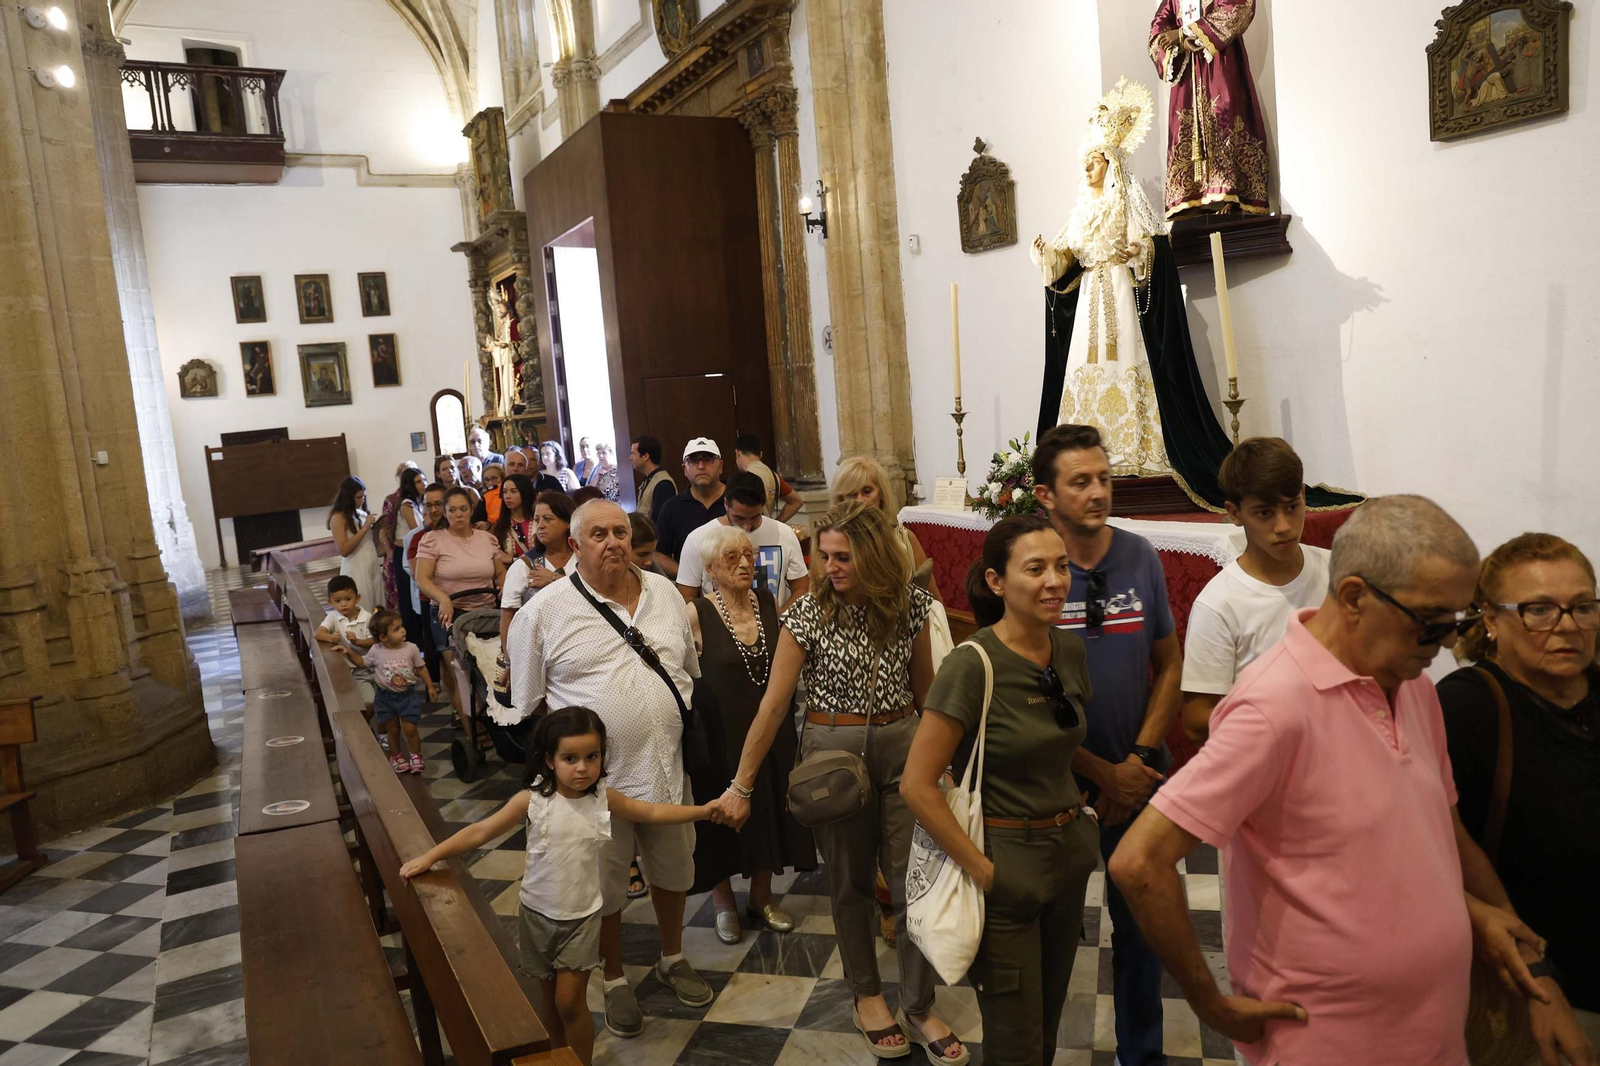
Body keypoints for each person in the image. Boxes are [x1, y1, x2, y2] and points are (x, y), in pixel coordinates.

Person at [1107, 496, 1593, 1066]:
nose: (1445, 645)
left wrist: (1502, 935)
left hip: (1433, 1027)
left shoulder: (1409, 684)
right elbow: (1138, 861)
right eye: (1430, 624)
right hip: (1328, 1038)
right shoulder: (1273, 707)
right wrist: (1209, 1002)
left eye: (1456, 622)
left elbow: (1443, 830)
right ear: (1356, 596)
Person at [709, 502, 967, 1063]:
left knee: (911, 883)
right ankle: (867, 995)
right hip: (831, 756)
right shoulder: (804, 616)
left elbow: (927, 696)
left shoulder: (913, 608)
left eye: (842, 557)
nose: (830, 567)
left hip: (904, 753)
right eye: (823, 556)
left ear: (874, 556)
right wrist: (742, 784)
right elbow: (774, 706)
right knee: (849, 882)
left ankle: (919, 1004)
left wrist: (943, 765)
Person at [502, 500, 714, 1039]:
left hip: (667, 771)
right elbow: (526, 705)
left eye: (620, 531)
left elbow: (686, 671)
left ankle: (672, 956)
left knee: (674, 872)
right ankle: (615, 977)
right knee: (606, 889)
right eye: (598, 534)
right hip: (596, 789)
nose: (612, 542)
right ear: (575, 546)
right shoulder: (543, 612)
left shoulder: (665, 592)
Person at [399, 708, 711, 1066]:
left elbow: (653, 813)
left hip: (581, 920)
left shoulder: (603, 799)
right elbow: (481, 830)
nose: (582, 768)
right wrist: (431, 857)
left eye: (591, 757)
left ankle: (580, 1061)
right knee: (548, 1004)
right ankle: (557, 1058)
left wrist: (703, 811)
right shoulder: (533, 800)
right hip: (535, 916)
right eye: (570, 758)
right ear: (549, 760)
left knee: (569, 1002)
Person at [902, 514, 1099, 1066]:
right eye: (1035, 569)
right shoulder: (974, 664)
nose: (1054, 581)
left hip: (1065, 859)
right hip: (1005, 864)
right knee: (1015, 1038)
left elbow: (1059, 744)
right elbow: (917, 785)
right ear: (996, 582)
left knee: (1048, 1021)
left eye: (1061, 566)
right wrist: (984, 870)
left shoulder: (1069, 651)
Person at [1029, 423, 1177, 1066]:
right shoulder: (1032, 569)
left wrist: (1139, 762)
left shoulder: (1141, 555)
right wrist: (1097, 772)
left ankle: (1139, 1055)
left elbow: (1168, 663)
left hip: (1135, 781)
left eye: (1104, 478)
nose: (1097, 492)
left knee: (1142, 930)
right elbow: (1020, 693)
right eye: (1080, 482)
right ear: (1046, 495)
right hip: (1052, 785)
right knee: (1044, 938)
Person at [1439, 533, 1600, 1056]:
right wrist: (1537, 978)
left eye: (1583, 607)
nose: (1568, 627)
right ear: (1490, 618)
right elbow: (1425, 857)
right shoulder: (1467, 711)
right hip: (1538, 996)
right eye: (1539, 610)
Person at [683, 524, 815, 945]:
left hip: (770, 731)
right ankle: (723, 904)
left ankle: (761, 897)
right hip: (720, 736)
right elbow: (681, 675)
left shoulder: (766, 601)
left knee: (769, 810)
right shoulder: (695, 613)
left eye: (749, 555)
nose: (744, 563)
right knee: (719, 814)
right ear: (709, 568)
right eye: (732, 558)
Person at [1181, 437, 1332, 743]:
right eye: (1264, 513)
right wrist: (1281, 721)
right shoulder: (1219, 604)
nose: (1284, 526)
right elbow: (1197, 720)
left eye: (1292, 506)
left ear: (1304, 496)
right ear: (1234, 513)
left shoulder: (1337, 571)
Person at [414, 487, 505, 721]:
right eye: (452, 510)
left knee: (493, 668)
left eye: (463, 509)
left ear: (471, 510)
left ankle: (498, 722)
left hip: (485, 612)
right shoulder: (433, 540)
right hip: (449, 613)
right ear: (445, 512)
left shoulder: (486, 538)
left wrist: (505, 589)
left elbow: (500, 573)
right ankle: (471, 728)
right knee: (462, 673)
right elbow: (422, 578)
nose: (458, 515)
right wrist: (443, 597)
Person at [676, 471, 808, 612]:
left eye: (755, 517)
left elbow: (802, 588)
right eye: (739, 518)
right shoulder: (698, 539)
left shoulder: (784, 534)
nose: (747, 526)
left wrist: (780, 621)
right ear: (726, 504)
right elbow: (686, 597)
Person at [833, 455, 941, 602]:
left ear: (881, 495)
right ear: (841, 500)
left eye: (867, 491)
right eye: (852, 494)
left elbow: (934, 600)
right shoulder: (832, 545)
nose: (860, 500)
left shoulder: (904, 539)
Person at [340, 609, 436, 774]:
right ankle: (397, 756)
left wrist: (430, 686)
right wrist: (349, 653)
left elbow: (421, 668)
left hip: (407, 696)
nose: (403, 631)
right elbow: (363, 663)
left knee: (410, 729)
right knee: (393, 730)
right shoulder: (376, 650)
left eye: (402, 627)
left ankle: (415, 756)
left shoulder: (411, 648)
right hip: (385, 697)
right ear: (383, 637)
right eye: (396, 629)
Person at [500, 491, 576, 645]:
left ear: (568, 522)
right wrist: (510, 662)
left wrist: (555, 579)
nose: (540, 525)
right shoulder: (525, 566)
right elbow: (508, 616)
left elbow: (598, 596)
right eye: (536, 519)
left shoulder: (584, 559)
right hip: (536, 646)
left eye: (548, 519)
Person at [654, 437, 727, 581]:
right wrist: (688, 575)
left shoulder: (736, 501)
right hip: (689, 594)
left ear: (720, 466)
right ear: (684, 469)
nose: (701, 466)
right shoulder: (672, 508)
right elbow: (657, 554)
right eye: (693, 460)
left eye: (708, 459)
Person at [404, 483, 447, 678]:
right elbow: (418, 574)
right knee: (438, 653)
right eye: (429, 505)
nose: (434, 509)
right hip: (430, 601)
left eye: (439, 504)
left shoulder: (463, 532)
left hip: (463, 599)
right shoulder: (419, 538)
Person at [315, 574, 377, 706]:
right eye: (337, 601)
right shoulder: (333, 616)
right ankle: (367, 724)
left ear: (357, 598)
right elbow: (318, 633)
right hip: (354, 670)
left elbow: (374, 642)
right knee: (369, 701)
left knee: (383, 701)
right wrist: (331, 637)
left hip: (374, 665)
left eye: (348, 599)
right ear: (330, 602)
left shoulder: (367, 617)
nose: (343, 604)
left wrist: (358, 641)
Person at [329, 476, 384, 609]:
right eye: (358, 497)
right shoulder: (338, 517)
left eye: (363, 497)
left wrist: (379, 529)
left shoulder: (362, 514)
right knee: (363, 607)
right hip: (356, 567)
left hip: (371, 563)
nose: (362, 500)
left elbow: (373, 545)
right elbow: (344, 550)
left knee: (377, 607)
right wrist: (365, 528)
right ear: (348, 497)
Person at [379, 465, 425, 613]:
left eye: (424, 479)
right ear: (408, 485)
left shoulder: (418, 503)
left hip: (411, 549)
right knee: (407, 595)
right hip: (404, 551)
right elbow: (417, 530)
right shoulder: (407, 504)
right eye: (418, 482)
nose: (423, 484)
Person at [733, 434, 803, 521]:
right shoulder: (774, 476)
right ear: (761, 454)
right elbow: (796, 501)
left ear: (737, 453)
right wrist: (777, 522)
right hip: (767, 530)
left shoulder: (742, 479)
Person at [491, 474, 539, 562]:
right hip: (512, 573)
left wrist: (512, 559)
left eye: (513, 491)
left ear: (525, 493)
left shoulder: (539, 521)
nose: (507, 496)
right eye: (505, 492)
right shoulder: (500, 526)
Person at [631, 435, 677, 525]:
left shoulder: (663, 484)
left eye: (633, 453)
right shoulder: (648, 480)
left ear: (645, 456)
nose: (630, 457)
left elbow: (660, 524)